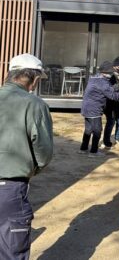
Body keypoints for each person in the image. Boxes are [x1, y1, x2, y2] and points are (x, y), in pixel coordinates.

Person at [0, 54, 53, 260]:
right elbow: (44, 152)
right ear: (34, 78)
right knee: (11, 250)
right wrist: (31, 169)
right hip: (10, 188)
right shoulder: (34, 104)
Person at [80, 61, 119, 158]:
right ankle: (93, 151)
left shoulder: (94, 78)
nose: (111, 74)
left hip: (86, 107)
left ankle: (83, 148)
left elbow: (108, 89)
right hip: (94, 109)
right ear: (105, 72)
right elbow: (112, 95)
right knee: (97, 130)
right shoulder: (102, 82)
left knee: (88, 129)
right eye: (110, 72)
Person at [102, 56, 119, 149]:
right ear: (114, 67)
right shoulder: (109, 74)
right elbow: (108, 88)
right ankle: (106, 141)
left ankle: (118, 137)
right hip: (110, 101)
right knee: (111, 121)